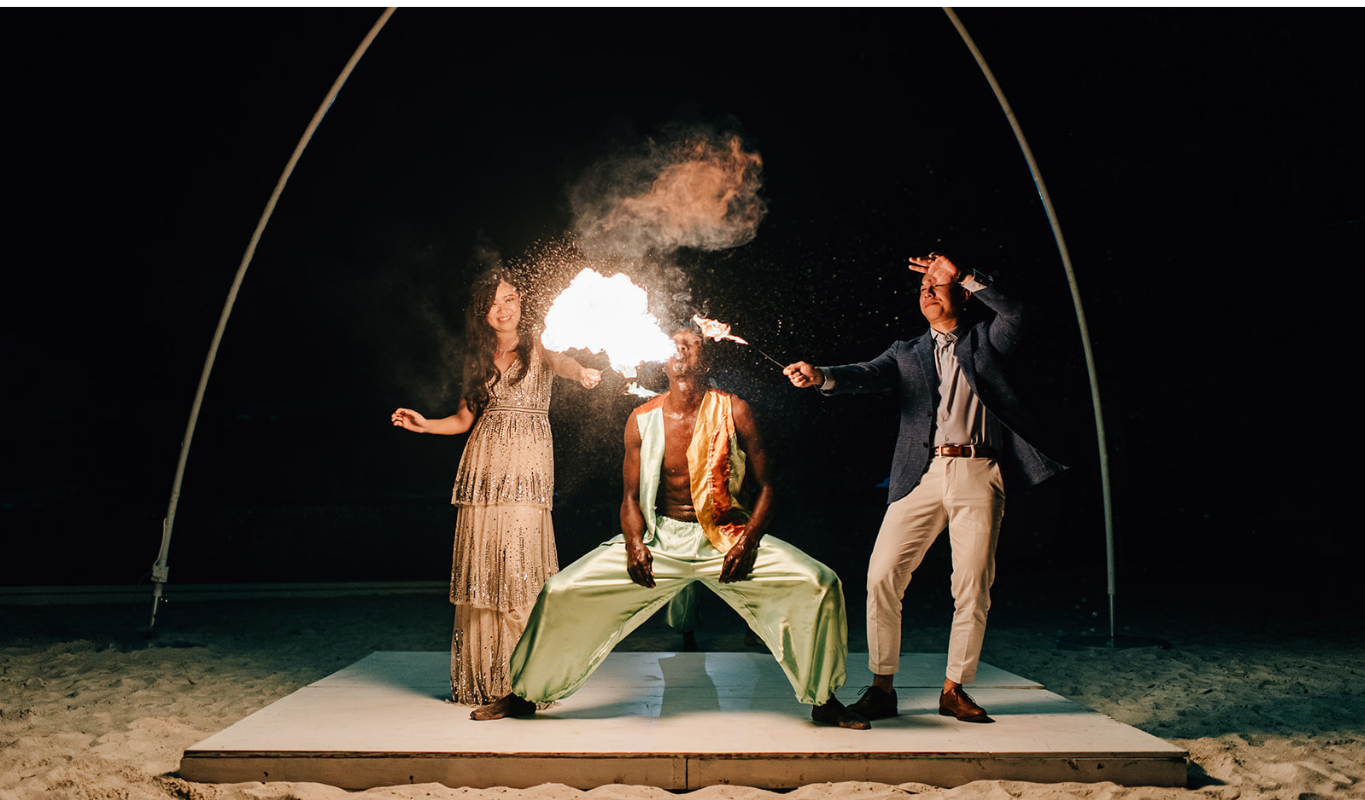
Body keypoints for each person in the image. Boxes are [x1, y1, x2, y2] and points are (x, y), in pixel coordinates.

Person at [470, 326, 869, 729]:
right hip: (660, 541)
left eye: (690, 345)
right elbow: (629, 498)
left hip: (726, 538)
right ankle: (523, 693)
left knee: (820, 583)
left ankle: (824, 700)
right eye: (673, 345)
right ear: (662, 361)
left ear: (705, 358)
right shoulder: (641, 419)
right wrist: (633, 544)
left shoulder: (735, 409)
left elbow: (768, 488)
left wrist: (747, 542)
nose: (679, 350)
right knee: (560, 591)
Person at [784, 252, 1066, 724]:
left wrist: (967, 274)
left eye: (938, 286)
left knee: (972, 586)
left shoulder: (986, 340)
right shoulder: (906, 351)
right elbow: (865, 374)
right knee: (881, 576)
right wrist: (822, 376)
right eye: (923, 289)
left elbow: (1016, 312)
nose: (928, 292)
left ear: (960, 294)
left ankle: (954, 689)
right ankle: (881, 688)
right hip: (920, 474)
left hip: (979, 471)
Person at [391, 269, 601, 706]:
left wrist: (580, 370)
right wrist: (426, 425)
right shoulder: (478, 357)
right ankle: (486, 682)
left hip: (528, 462)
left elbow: (561, 363)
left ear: (521, 302)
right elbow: (466, 420)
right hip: (485, 464)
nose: (503, 309)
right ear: (482, 313)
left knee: (520, 562)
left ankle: (524, 681)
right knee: (488, 564)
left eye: (509, 298)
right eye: (493, 303)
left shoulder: (540, 342)